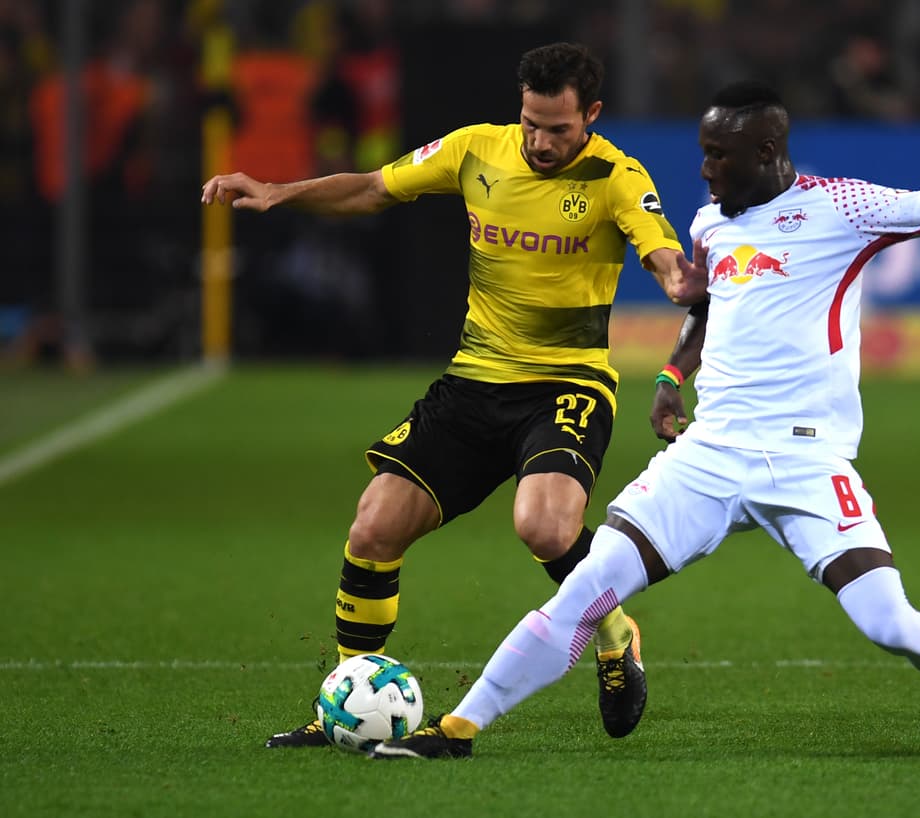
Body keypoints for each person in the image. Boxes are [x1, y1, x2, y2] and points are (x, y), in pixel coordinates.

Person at [362, 80, 920, 761]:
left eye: (718, 155)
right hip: (710, 454)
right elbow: (709, 308)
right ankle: (458, 728)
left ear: (766, 151)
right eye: (703, 152)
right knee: (585, 591)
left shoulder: (843, 208)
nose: (705, 169)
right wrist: (672, 377)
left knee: (890, 623)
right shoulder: (710, 224)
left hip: (808, 460)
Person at [200, 42, 704, 746]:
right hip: (473, 381)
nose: (541, 142)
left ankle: (615, 632)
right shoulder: (474, 150)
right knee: (373, 528)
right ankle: (343, 701)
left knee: (545, 528)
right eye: (531, 123)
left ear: (590, 114)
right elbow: (374, 187)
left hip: (566, 384)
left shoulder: (617, 176)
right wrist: (280, 192)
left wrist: (678, 278)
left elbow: (661, 253)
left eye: (558, 129)